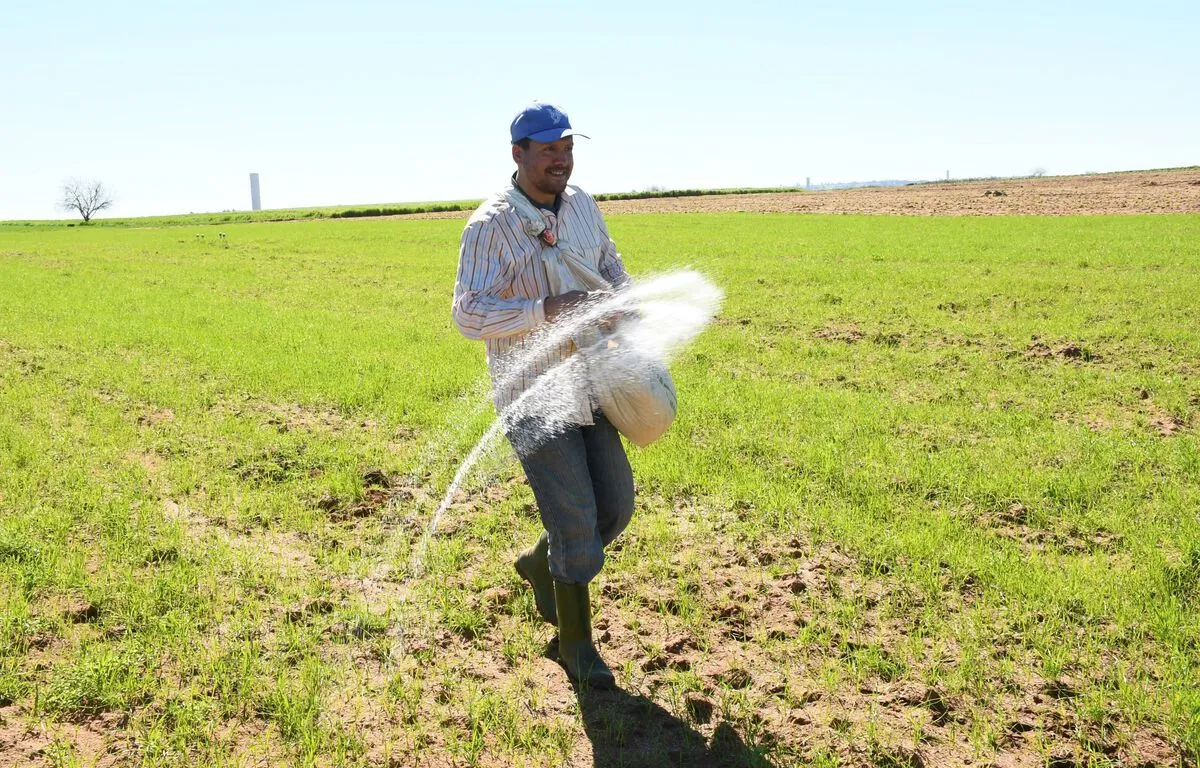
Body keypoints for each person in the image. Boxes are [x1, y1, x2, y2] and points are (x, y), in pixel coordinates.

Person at [452, 102, 633, 688]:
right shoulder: (489, 226)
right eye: (549, 148)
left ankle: (539, 563)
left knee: (615, 506)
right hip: (532, 392)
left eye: (567, 147)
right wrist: (547, 310)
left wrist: (621, 302)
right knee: (577, 519)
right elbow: (468, 314)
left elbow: (609, 263)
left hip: (593, 379)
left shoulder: (582, 206)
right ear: (518, 154)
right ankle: (576, 647)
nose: (561, 158)